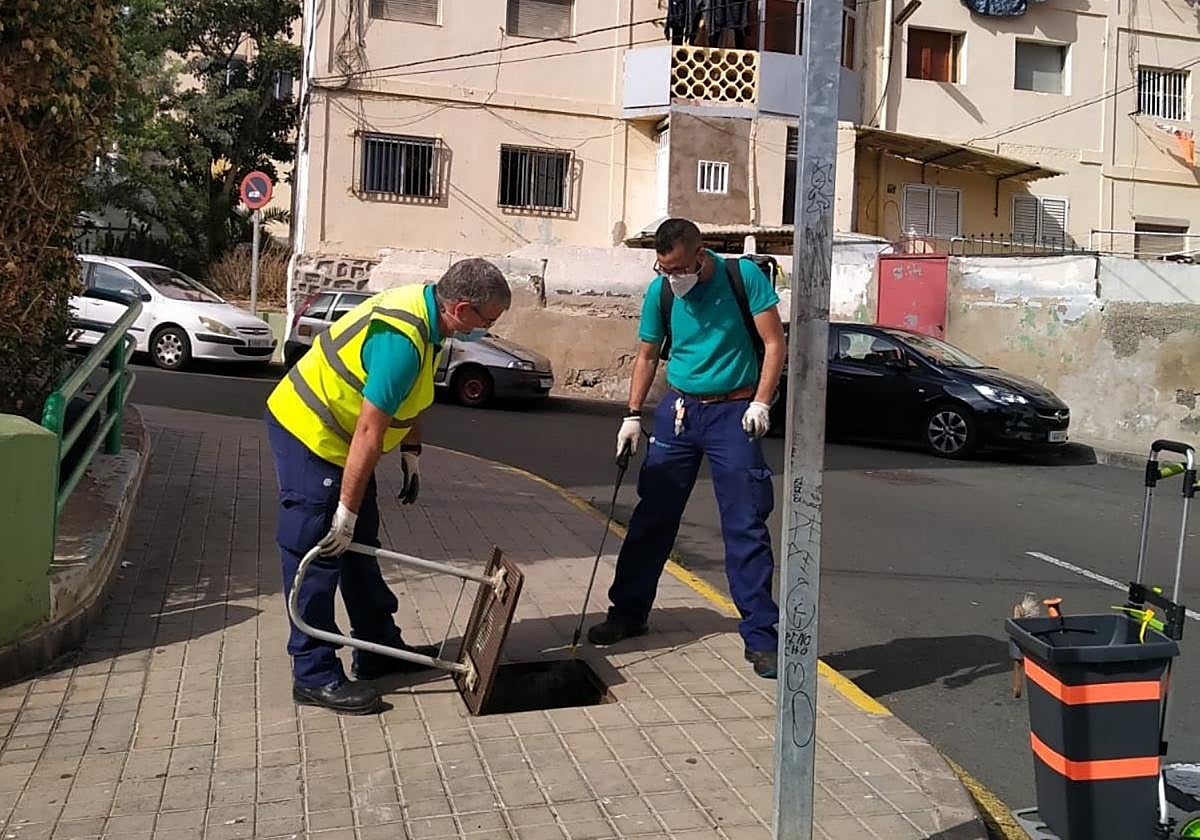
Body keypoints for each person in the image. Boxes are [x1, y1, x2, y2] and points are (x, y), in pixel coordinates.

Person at [265, 258, 512, 714]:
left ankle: (377, 650)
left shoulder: (432, 320)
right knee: (317, 547)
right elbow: (367, 432)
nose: (489, 329)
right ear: (461, 308)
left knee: (361, 545)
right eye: (488, 320)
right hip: (310, 432)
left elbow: (411, 396)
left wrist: (411, 454)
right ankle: (313, 673)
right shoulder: (401, 339)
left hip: (341, 439)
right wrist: (342, 509)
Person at [587, 218, 785, 679]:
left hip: (733, 412)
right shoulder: (659, 293)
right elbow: (646, 354)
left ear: (699, 256)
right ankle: (628, 614)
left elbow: (775, 344)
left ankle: (761, 637)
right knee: (652, 516)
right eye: (662, 268)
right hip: (679, 411)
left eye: (677, 268)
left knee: (744, 524)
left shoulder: (743, 277)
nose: (671, 277)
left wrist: (760, 402)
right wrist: (632, 415)